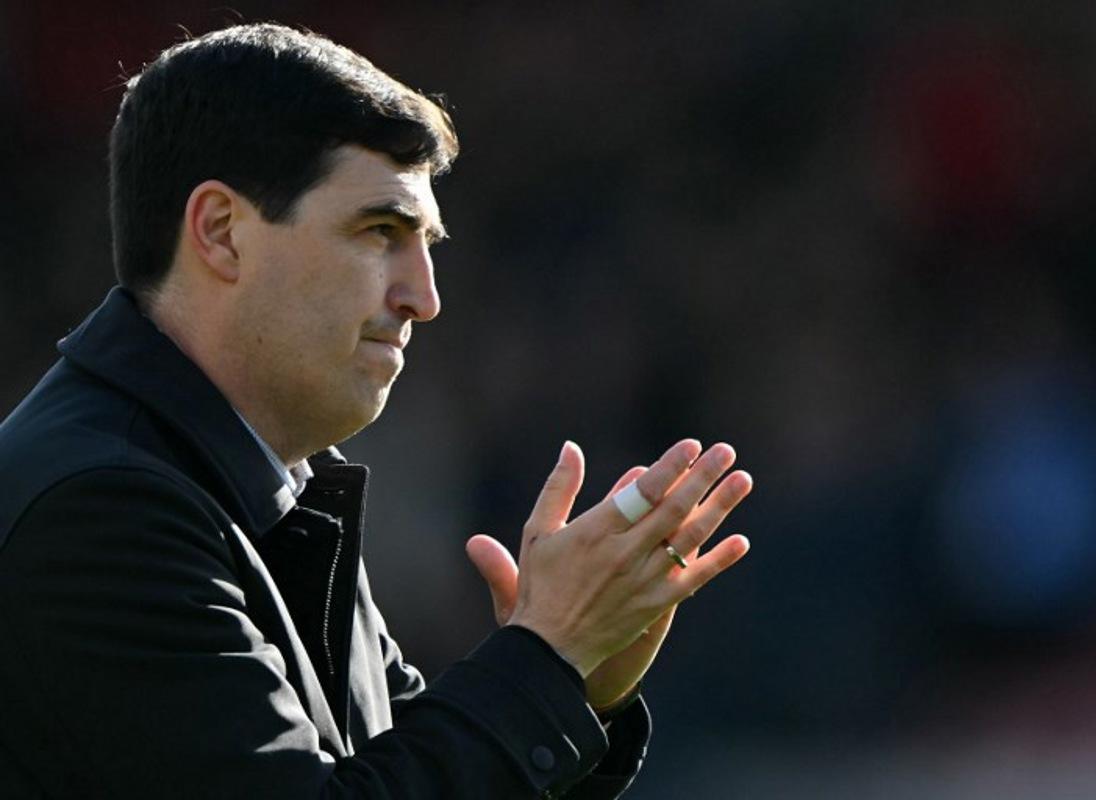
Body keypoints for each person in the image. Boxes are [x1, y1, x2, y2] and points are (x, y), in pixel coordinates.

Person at [0, 22, 753, 799]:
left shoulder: (264, 485)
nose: (424, 298)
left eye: (426, 244)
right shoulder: (101, 506)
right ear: (222, 233)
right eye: (379, 231)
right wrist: (545, 658)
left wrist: (576, 687)